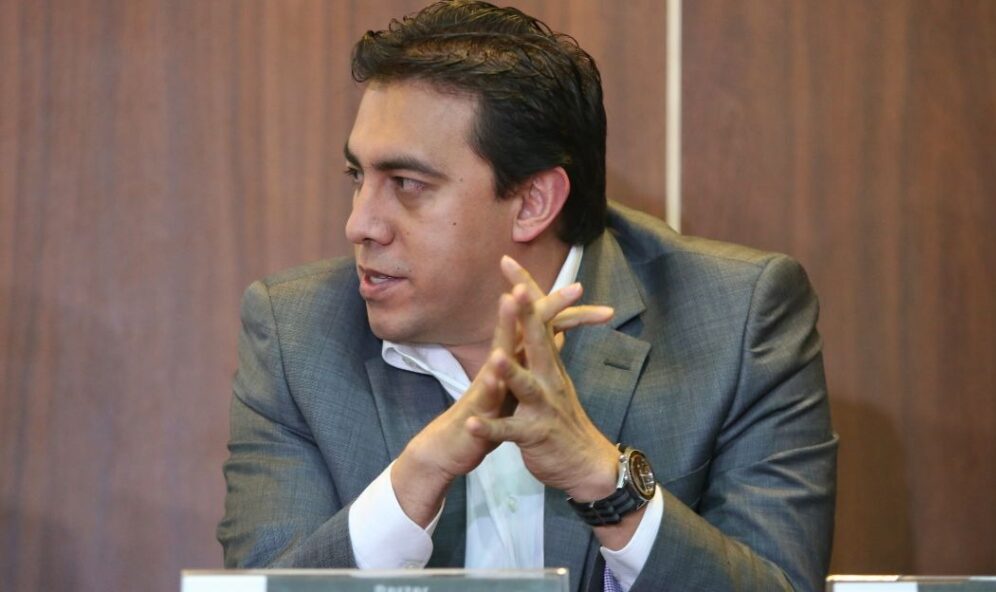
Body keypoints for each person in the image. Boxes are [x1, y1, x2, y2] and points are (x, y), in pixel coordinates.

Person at [217, 1, 838, 590]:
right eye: (359, 176)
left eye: (406, 183)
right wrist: (415, 480)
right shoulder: (297, 335)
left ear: (533, 203)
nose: (360, 224)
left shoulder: (737, 321)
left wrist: (602, 480)